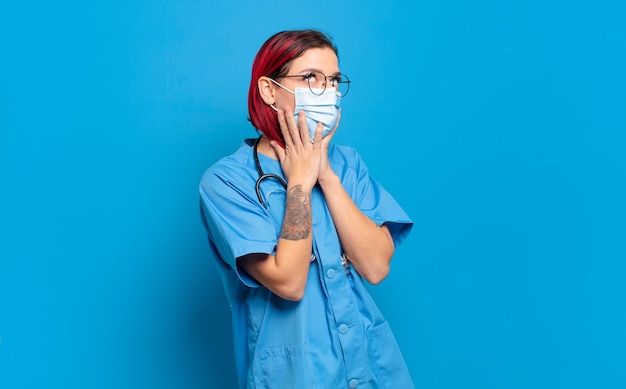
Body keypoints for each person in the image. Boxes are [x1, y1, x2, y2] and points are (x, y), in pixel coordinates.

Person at [199, 29, 414, 389]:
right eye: (311, 78)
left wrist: (325, 175)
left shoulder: (347, 165)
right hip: (294, 375)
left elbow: (376, 267)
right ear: (269, 90)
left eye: (332, 81)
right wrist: (299, 182)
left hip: (373, 367)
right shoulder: (225, 182)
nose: (326, 92)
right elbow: (289, 282)